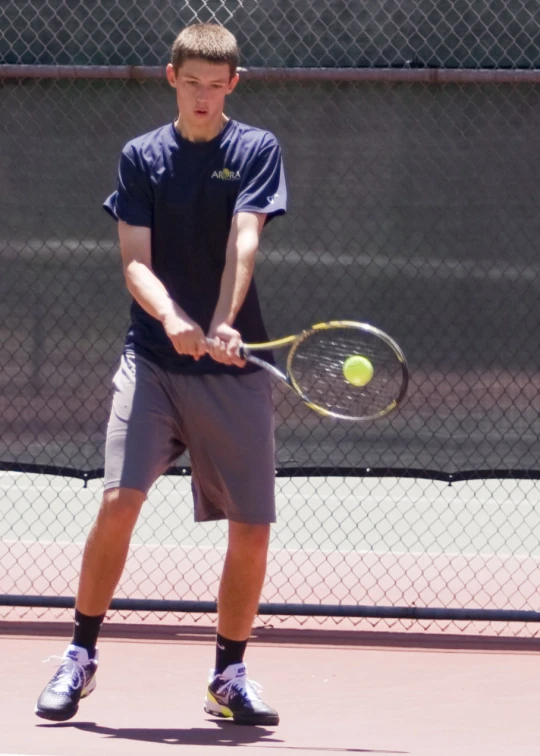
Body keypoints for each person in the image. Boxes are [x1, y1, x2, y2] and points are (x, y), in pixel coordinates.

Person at [35, 22, 286, 727]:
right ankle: (79, 656)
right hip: (151, 360)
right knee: (120, 499)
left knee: (253, 526)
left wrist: (224, 320)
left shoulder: (256, 150)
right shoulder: (141, 157)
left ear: (233, 84)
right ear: (170, 77)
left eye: (217, 85)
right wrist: (174, 318)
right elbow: (134, 262)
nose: (204, 97)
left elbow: (246, 237)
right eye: (192, 82)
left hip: (233, 368)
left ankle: (228, 675)